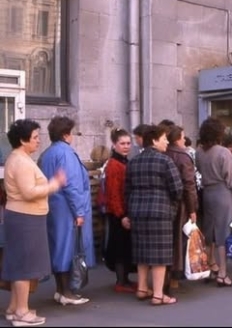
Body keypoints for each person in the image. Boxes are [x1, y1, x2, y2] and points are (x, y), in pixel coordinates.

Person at [3, 119, 66, 326]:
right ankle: (22, 311)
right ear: (23, 140)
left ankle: (14, 308)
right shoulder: (20, 161)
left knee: (20, 263)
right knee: (25, 266)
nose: (39, 141)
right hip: (25, 218)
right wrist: (53, 185)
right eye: (35, 137)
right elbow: (29, 192)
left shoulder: (20, 158)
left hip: (25, 216)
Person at [39, 116, 95, 306]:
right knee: (68, 250)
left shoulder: (46, 154)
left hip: (52, 207)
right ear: (66, 134)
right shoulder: (66, 153)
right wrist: (79, 212)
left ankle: (59, 290)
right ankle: (68, 292)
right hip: (67, 209)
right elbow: (73, 186)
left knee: (57, 249)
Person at [125, 125, 183, 305]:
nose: (167, 141)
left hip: (137, 212)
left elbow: (127, 190)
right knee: (160, 255)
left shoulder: (134, 161)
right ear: (155, 140)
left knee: (142, 252)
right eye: (164, 138)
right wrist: (172, 206)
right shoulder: (165, 161)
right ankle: (158, 294)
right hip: (160, 212)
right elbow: (177, 189)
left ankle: (142, 288)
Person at [196, 118, 232, 287]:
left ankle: (210, 265)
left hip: (207, 193)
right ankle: (223, 273)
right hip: (223, 193)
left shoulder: (199, 152)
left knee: (210, 233)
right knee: (223, 233)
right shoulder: (224, 152)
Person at [164, 125, 198, 292]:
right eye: (183, 137)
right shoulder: (182, 157)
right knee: (179, 240)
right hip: (181, 204)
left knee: (166, 240)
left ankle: (163, 276)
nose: (185, 140)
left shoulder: (163, 153)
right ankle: (174, 277)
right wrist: (193, 208)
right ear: (177, 139)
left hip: (165, 202)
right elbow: (189, 185)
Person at [103, 128, 136, 293]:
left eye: (128, 143)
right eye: (122, 143)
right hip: (118, 212)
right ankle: (121, 281)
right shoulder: (114, 165)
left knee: (125, 246)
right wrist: (121, 215)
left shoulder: (124, 161)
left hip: (124, 210)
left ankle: (125, 279)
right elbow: (113, 192)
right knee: (119, 247)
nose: (126, 146)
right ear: (114, 145)